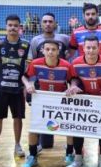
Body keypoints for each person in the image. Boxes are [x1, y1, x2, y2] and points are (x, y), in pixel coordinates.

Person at [0, 14, 30, 164]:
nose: (12, 28)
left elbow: (28, 66)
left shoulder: (25, 45)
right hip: (1, 89)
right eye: (10, 25)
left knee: (18, 118)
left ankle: (17, 145)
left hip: (18, 89)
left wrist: (26, 84)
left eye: (15, 25)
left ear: (19, 27)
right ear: (6, 27)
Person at [65, 35, 101, 167]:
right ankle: (78, 159)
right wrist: (74, 86)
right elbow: (73, 79)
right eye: (88, 47)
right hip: (83, 101)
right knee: (78, 129)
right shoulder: (75, 63)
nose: (91, 50)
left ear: (99, 48)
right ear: (83, 48)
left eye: (94, 47)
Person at [21, 40, 71, 167]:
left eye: (53, 49)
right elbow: (24, 77)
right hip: (42, 101)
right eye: (47, 49)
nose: (50, 52)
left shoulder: (66, 65)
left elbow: (74, 80)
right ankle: (32, 156)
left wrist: (72, 88)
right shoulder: (36, 64)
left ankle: (70, 154)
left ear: (58, 51)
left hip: (60, 100)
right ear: (42, 51)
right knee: (34, 128)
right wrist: (28, 85)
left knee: (69, 127)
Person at [27, 12, 70, 153]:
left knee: (67, 118)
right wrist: (30, 83)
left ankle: (70, 148)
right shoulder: (35, 40)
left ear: (55, 23)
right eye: (45, 21)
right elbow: (33, 62)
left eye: (50, 21)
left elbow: (72, 53)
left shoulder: (64, 38)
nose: (47, 24)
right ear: (41, 24)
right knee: (45, 141)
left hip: (60, 87)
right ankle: (37, 146)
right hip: (42, 87)